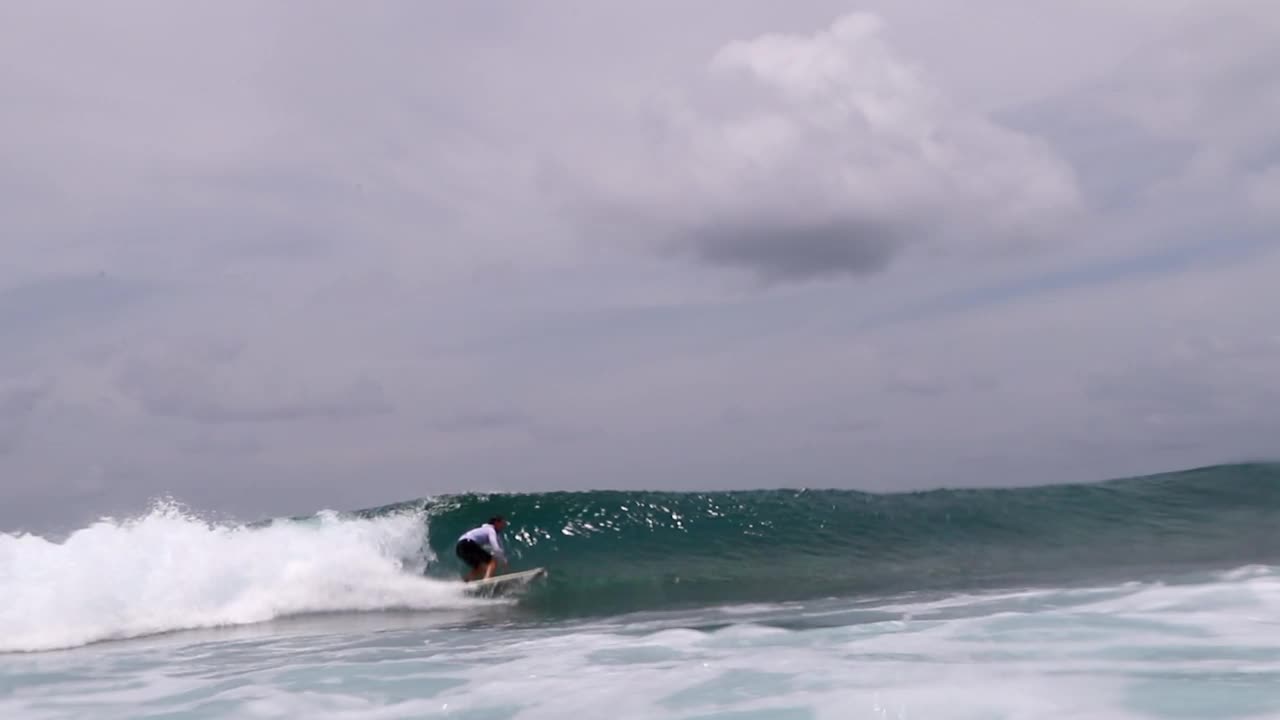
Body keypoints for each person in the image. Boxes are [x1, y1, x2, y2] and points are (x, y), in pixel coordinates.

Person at [455, 515, 508, 581]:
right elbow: (496, 547)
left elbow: (491, 548)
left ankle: (465, 582)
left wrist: (501, 557)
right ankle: (487, 581)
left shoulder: (483, 530)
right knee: (492, 561)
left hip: (459, 547)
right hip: (468, 544)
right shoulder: (491, 530)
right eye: (502, 523)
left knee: (479, 567)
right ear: (496, 523)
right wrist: (503, 561)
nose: (503, 526)